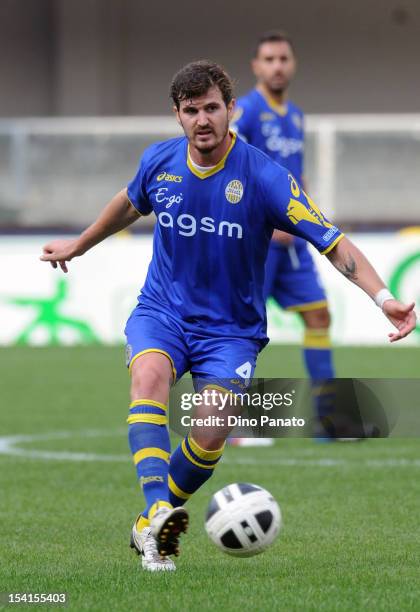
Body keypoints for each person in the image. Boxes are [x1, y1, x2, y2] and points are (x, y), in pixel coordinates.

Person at [40, 60, 416, 572]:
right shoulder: (160, 162)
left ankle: (147, 524)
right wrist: (80, 244)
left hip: (231, 332)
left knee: (212, 429)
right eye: (191, 110)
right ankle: (156, 511)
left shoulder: (263, 176)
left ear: (230, 109)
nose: (202, 120)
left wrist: (382, 297)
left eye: (212, 108)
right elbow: (129, 204)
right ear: (177, 115)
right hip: (163, 312)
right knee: (148, 376)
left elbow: (330, 239)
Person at [232, 31, 336, 439]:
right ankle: (229, 421)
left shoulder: (295, 115)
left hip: (294, 242)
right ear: (256, 66)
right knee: (243, 327)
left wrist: (310, 218)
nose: (277, 65)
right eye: (269, 59)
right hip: (257, 242)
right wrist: (262, 218)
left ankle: (328, 418)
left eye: (283, 59)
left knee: (319, 316)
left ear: (292, 65)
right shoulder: (246, 112)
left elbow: (297, 174)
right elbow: (233, 168)